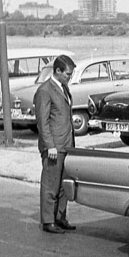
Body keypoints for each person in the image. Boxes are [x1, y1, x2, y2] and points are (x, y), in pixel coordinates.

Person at [34, 55, 77, 234]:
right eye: (68, 74)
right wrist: (50, 145)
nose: (70, 77)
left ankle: (60, 217)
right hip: (54, 146)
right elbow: (42, 122)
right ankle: (48, 221)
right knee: (51, 183)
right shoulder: (45, 91)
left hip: (66, 144)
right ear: (57, 71)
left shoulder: (63, 87)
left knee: (63, 185)